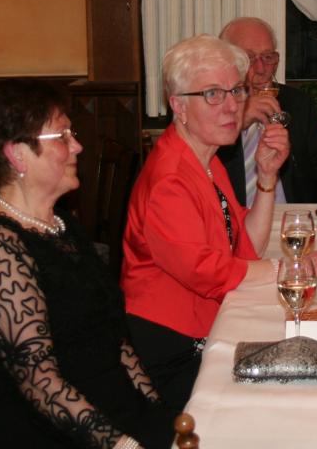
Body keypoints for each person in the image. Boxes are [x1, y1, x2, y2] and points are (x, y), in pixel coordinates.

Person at [0, 79, 175, 449]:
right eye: (62, 136)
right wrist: (123, 445)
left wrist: (159, 413)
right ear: (17, 155)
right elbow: (39, 380)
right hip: (52, 432)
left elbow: (117, 341)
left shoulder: (62, 226)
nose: (77, 146)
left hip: (112, 412)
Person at [122, 34, 289, 409]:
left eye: (237, 91)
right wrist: (289, 270)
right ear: (178, 105)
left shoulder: (205, 159)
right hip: (172, 348)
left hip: (210, 325)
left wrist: (266, 178)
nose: (232, 107)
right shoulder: (170, 178)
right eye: (213, 94)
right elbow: (210, 273)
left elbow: (245, 246)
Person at [217, 16, 317, 206]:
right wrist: (238, 120)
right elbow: (198, 169)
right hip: (231, 218)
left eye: (268, 57)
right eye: (249, 58)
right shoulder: (211, 106)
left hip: (291, 217)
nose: (261, 69)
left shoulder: (298, 103)